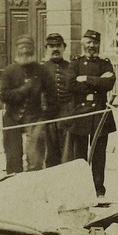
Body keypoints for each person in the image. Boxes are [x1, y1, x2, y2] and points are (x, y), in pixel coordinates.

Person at [66, 29, 117, 199]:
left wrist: (86, 79)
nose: (92, 46)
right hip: (80, 114)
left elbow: (109, 83)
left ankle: (98, 190)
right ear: (83, 44)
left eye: (95, 43)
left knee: (99, 155)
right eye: (88, 42)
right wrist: (98, 82)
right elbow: (71, 85)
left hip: (99, 115)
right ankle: (80, 189)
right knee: (79, 156)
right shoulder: (75, 63)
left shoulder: (104, 63)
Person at [0, 36, 48, 173]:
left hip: (35, 118)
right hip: (12, 118)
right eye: (22, 49)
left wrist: (43, 119)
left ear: (34, 50)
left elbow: (52, 97)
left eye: (28, 48)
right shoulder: (9, 71)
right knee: (13, 160)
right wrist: (23, 90)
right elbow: (4, 96)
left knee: (35, 161)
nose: (25, 51)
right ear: (17, 51)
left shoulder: (42, 71)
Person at [41, 33, 75, 167]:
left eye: (58, 46)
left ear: (64, 47)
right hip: (48, 118)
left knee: (67, 157)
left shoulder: (71, 67)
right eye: (51, 46)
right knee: (49, 157)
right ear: (46, 48)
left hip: (67, 116)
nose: (55, 49)